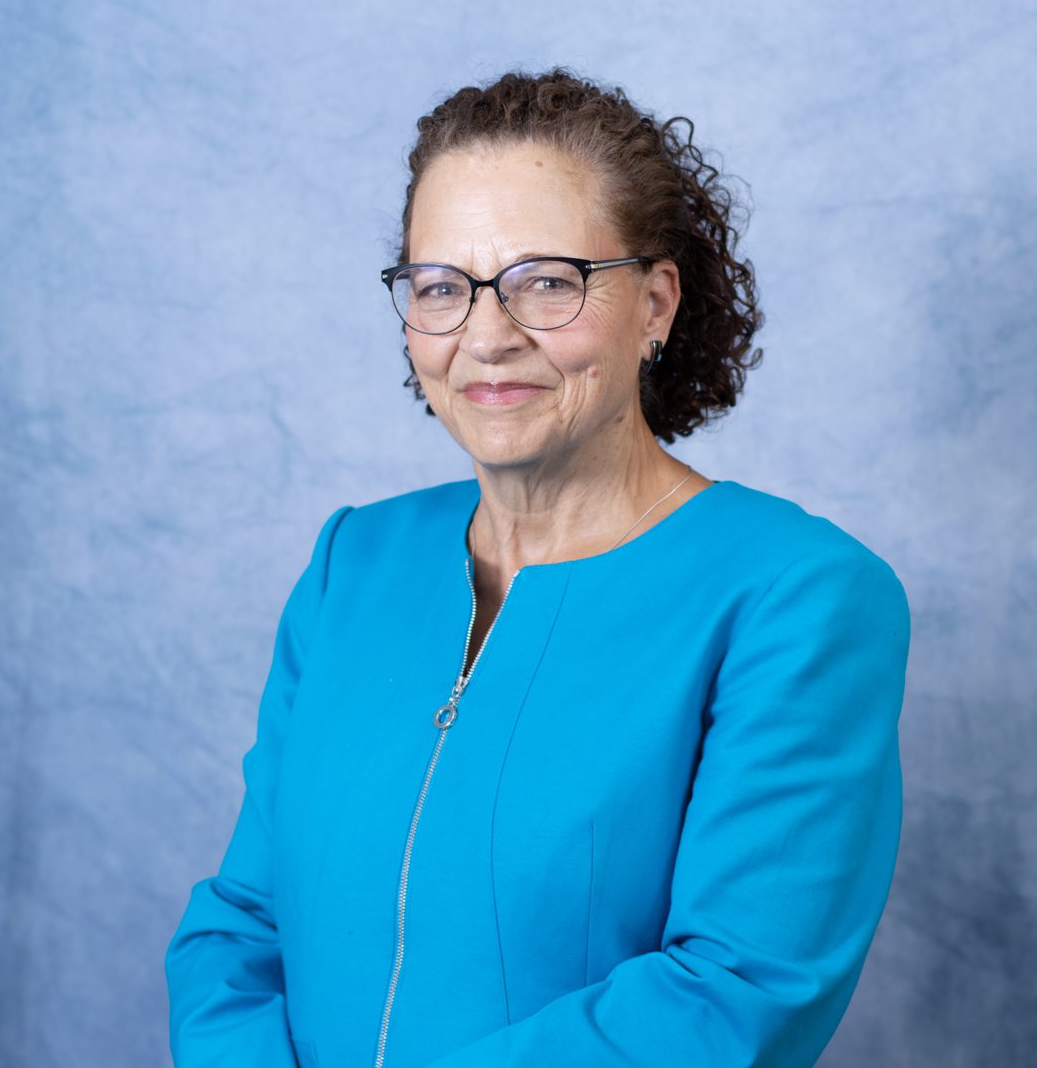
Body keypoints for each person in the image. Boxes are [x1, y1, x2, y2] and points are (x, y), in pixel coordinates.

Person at [165, 68, 911, 1067]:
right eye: (441, 287)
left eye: (546, 281)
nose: (486, 335)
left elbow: (734, 993)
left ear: (654, 303)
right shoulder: (353, 562)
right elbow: (241, 925)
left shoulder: (799, 598)